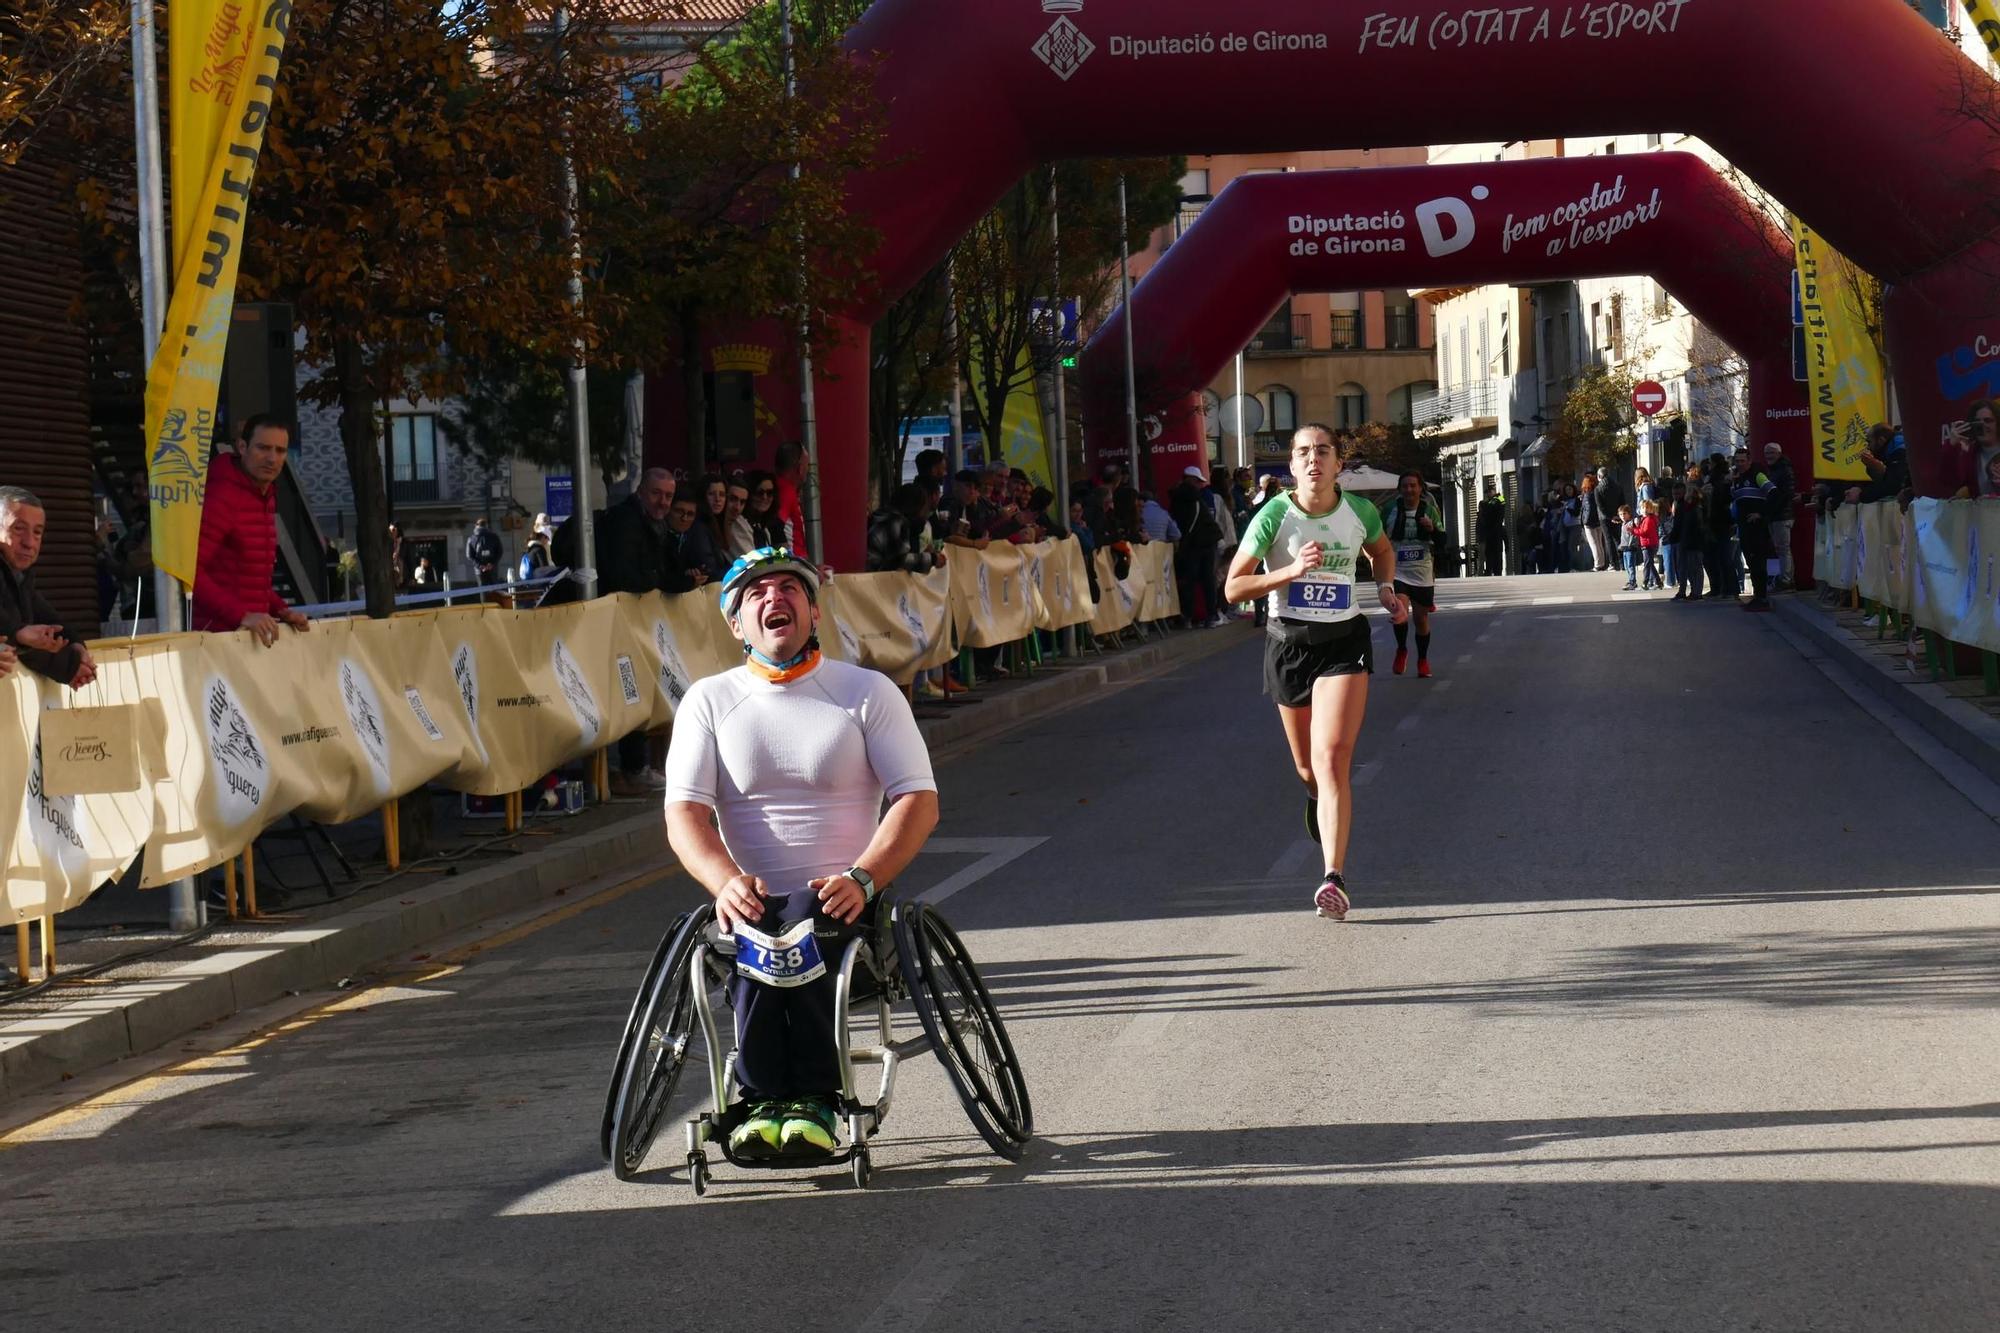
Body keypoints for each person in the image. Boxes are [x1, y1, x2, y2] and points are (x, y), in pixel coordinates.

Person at [664, 548, 940, 1158]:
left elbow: (918, 800)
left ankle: (813, 1097)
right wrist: (723, 882)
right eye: (755, 593)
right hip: (751, 900)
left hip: (848, 898)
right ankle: (761, 1103)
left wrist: (865, 878)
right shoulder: (709, 701)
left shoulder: (866, 692)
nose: (774, 598)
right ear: (735, 624)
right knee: (767, 922)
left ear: (813, 611)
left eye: (789, 588)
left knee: (802, 921)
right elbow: (683, 814)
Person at [1223, 424, 1410, 923]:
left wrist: (1386, 588)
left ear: (1337, 464)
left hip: (1344, 644)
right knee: (1308, 770)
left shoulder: (1360, 512)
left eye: (1322, 452)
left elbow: (1382, 551)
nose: (1313, 460)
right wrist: (1288, 572)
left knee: (1332, 759)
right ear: (1291, 466)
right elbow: (1234, 588)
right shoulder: (1274, 516)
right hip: (1288, 647)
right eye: (1303, 452)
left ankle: (1333, 877)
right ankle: (1315, 797)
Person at [191, 415, 311, 647]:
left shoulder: (264, 495)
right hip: (219, 642)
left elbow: (251, 577)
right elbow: (191, 573)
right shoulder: (223, 496)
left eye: (280, 450)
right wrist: (242, 615)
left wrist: (282, 610)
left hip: (245, 640)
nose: (272, 458)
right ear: (242, 447)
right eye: (263, 448)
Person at [0, 486, 93, 689]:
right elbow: (17, 638)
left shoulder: (20, 577)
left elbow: (48, 622)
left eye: (37, 532)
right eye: (18, 528)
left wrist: (77, 647)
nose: (29, 543)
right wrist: (20, 635)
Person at [1378, 471, 1442, 677]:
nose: (1409, 490)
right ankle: (1402, 649)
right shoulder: (1390, 509)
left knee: (1421, 620)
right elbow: (1377, 536)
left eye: (1413, 486)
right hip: (1397, 570)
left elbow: (1443, 540)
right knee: (1401, 613)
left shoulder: (1429, 510)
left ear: (1420, 488)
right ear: (1400, 490)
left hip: (1422, 570)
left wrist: (1432, 529)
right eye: (1405, 486)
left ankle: (1422, 660)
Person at [1170, 465, 1225, 626]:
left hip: (1192, 543)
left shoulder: (1178, 498)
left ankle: (1187, 616)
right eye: (1197, 481)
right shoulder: (1196, 498)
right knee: (1208, 579)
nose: (1200, 484)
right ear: (1190, 479)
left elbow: (1182, 523)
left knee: (1189, 580)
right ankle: (1211, 615)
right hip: (1206, 541)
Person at [1730, 449, 1778, 611]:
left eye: (1743, 461)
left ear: (1749, 461)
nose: (1740, 464)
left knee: (1759, 561)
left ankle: (1763, 597)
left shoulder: (1757, 475)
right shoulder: (1737, 479)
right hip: (1744, 527)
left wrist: (1761, 514)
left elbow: (1773, 493)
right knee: (1751, 562)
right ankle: (1758, 596)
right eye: (1737, 461)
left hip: (1757, 527)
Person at [867, 483, 942, 574]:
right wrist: (932, 559)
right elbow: (900, 561)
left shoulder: (882, 515)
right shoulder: (896, 522)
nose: (924, 514)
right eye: (924, 507)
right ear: (916, 507)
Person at [664, 491, 725, 588]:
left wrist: (697, 574)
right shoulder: (657, 536)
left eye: (690, 514)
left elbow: (713, 568)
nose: (684, 518)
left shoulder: (698, 534)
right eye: (679, 511)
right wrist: (685, 579)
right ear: (668, 510)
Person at [1761, 443, 1797, 590]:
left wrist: (1773, 507)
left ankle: (1786, 579)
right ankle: (1784, 578)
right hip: (1774, 515)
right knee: (1779, 549)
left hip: (1782, 515)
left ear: (1779, 453)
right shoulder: (1771, 470)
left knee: (1783, 549)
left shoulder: (1784, 470)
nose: (1768, 456)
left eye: (1772, 453)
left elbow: (1786, 494)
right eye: (1766, 453)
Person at [773, 442, 811, 558]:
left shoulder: (782, 487)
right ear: (799, 469)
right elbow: (776, 526)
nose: (808, 470)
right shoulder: (786, 490)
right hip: (794, 563)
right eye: (807, 466)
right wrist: (787, 562)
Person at [1672, 479, 1707, 601]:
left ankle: (1696, 592)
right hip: (1686, 539)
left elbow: (1698, 526)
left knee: (1695, 567)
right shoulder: (1685, 506)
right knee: (1686, 566)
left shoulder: (1695, 507)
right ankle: (1691, 591)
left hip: (1693, 540)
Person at [743, 470, 785, 550]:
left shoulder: (775, 523)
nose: (764, 497)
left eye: (769, 493)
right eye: (759, 492)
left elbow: (785, 556)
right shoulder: (741, 522)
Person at [1578, 473, 1607, 571]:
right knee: (1599, 543)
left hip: (1589, 522)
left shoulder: (1587, 495)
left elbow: (1587, 509)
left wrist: (1584, 520)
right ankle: (1602, 563)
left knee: (1593, 543)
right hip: (1598, 520)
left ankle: (1597, 564)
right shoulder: (1597, 492)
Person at [1475, 487, 1507, 576]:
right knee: (1490, 553)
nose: (1487, 495)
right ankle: (1490, 570)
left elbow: (1491, 507)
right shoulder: (1491, 501)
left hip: (1495, 529)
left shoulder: (1498, 499)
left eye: (1489, 492)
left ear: (1493, 491)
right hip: (1491, 530)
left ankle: (1497, 571)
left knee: (1496, 552)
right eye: (1487, 493)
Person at [466, 517, 502, 588]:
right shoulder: (494, 537)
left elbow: (469, 555)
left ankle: (484, 599)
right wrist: (491, 564)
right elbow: (500, 552)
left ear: (476, 526)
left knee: (482, 590)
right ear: (486, 526)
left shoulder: (471, 539)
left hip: (479, 570)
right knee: (494, 589)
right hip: (492, 568)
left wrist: (480, 566)